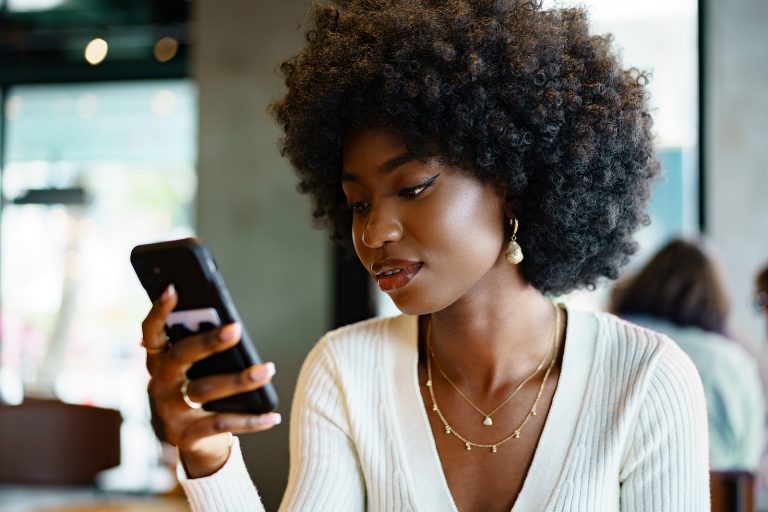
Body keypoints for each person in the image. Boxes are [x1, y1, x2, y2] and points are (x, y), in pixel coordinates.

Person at [140, 1, 709, 510]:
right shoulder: (346, 372)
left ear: (511, 179)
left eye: (412, 188)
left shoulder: (645, 381)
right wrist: (208, 454)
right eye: (357, 204)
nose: (375, 232)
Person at [612, 238, 765, 472]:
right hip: (719, 499)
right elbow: (748, 462)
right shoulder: (734, 362)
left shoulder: (616, 339)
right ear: (716, 294)